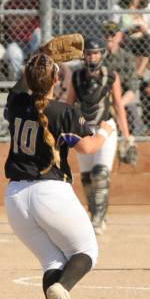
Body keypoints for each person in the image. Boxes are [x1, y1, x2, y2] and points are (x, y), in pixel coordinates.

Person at [3, 51, 115, 299]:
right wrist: (106, 131)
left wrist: (40, 57)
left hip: (15, 197)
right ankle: (61, 288)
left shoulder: (16, 103)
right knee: (86, 251)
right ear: (56, 80)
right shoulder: (64, 112)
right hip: (49, 191)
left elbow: (20, 87)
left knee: (52, 260)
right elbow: (88, 148)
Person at [61, 37, 134, 234]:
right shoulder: (76, 76)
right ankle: (95, 213)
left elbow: (118, 105)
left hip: (105, 127)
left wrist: (127, 136)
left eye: (95, 53)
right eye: (88, 53)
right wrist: (66, 128)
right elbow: (69, 104)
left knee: (100, 174)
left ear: (102, 54)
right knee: (86, 178)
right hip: (84, 129)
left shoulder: (111, 76)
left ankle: (99, 219)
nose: (92, 57)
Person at [102, 20, 141, 134]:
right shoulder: (97, 56)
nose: (109, 38)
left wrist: (118, 105)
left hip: (122, 97)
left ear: (119, 37)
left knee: (131, 107)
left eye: (112, 34)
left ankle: (130, 137)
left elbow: (132, 87)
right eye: (106, 35)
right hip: (102, 97)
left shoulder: (127, 58)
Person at [3, 0, 42, 79]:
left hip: (35, 45)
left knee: (38, 33)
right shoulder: (11, 4)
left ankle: (35, 72)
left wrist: (23, 17)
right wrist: (32, 14)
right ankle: (16, 82)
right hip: (17, 42)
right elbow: (12, 25)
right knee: (13, 54)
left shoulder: (40, 2)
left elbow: (48, 24)